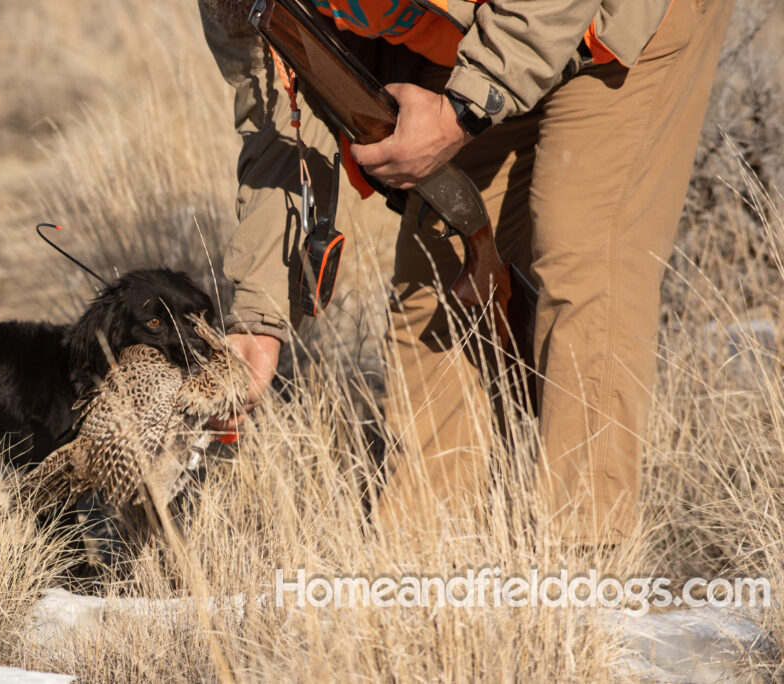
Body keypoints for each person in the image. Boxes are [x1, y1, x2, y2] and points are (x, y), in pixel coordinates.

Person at [200, 0, 733, 544]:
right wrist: (258, 315)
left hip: (614, 23)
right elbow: (279, 106)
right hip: (473, 37)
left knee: (580, 253)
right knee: (436, 276)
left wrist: (465, 111)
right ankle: (428, 559)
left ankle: (588, 564)